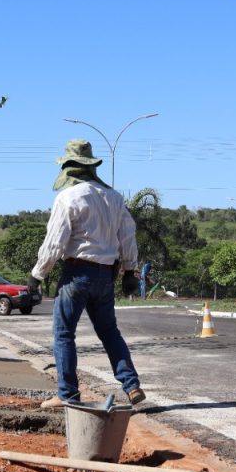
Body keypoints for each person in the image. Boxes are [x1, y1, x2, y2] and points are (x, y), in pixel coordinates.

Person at [27, 139, 145, 409]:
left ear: (69, 168)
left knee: (64, 334)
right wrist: (130, 271)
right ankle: (132, 384)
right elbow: (128, 234)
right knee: (109, 332)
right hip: (106, 275)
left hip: (77, 274)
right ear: (91, 167)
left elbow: (55, 243)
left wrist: (37, 275)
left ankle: (67, 394)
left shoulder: (69, 197)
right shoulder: (114, 197)